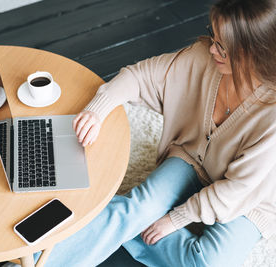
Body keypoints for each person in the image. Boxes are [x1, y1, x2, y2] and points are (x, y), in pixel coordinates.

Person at [41, 0, 276, 266]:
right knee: (137, 209)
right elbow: (140, 76)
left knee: (207, 262)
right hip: (191, 161)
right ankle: (37, 259)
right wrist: (98, 109)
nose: (212, 48)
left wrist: (173, 220)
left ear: (254, 53)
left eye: (222, 45)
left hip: (248, 200)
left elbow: (235, 191)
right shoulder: (202, 58)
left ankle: (112, 221)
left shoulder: (272, 117)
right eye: (213, 36)